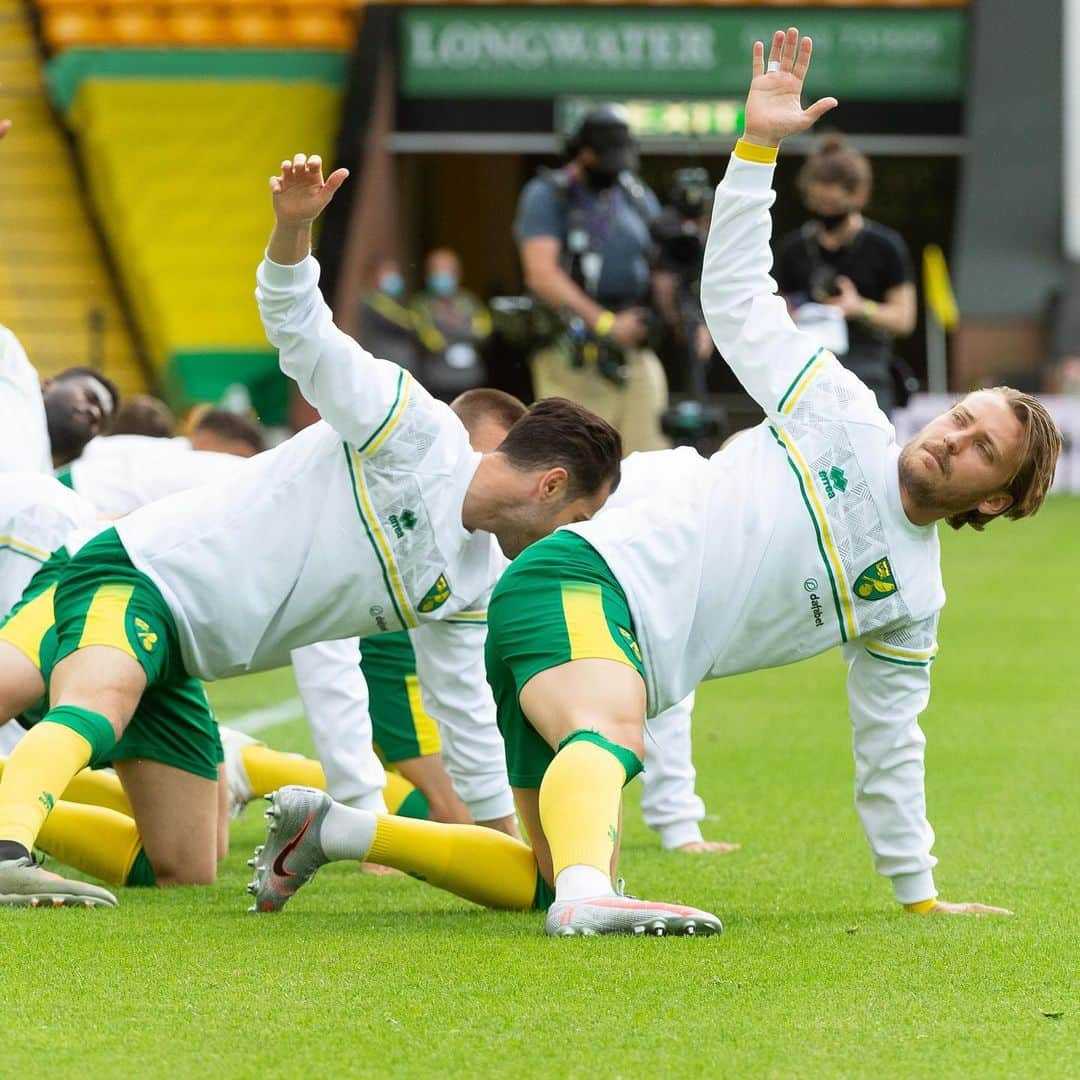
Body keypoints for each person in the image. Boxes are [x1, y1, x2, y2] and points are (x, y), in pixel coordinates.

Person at [248, 29, 1062, 937]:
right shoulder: (843, 411)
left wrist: (919, 891)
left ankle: (339, 829)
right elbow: (741, 298)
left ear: (994, 499)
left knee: (541, 873)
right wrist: (757, 151)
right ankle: (593, 902)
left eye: (982, 449)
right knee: (609, 752)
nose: (954, 439)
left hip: (598, 638)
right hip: (588, 583)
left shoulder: (911, 599)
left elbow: (889, 747)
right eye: (962, 418)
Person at [0, 150, 621, 908]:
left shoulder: (475, 579)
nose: (569, 542)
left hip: (190, 651)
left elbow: (466, 723)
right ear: (550, 484)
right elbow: (302, 329)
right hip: (141, 577)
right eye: (577, 519)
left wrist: (533, 862)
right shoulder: (411, 427)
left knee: (187, 866)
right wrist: (294, 231)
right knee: (99, 699)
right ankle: (8, 848)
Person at [515, 105, 669, 453]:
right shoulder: (549, 194)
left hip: (633, 343)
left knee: (651, 456)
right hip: (573, 349)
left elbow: (662, 262)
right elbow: (541, 274)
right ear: (585, 153)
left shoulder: (634, 195)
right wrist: (605, 323)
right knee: (579, 458)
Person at [772, 133, 916, 416]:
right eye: (818, 203)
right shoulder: (792, 249)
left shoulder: (885, 246)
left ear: (857, 196)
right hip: (807, 372)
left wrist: (859, 308)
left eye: (833, 204)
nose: (825, 211)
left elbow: (904, 319)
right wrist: (787, 314)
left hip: (868, 373)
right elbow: (774, 307)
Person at [0, 326, 119, 472]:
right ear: (48, 384)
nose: (95, 412)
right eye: (90, 397)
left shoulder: (44, 482)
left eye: (99, 424)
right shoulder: (15, 368)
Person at [410, 249, 492, 403]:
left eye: (447, 270)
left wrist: (446, 327)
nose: (442, 275)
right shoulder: (421, 305)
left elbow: (483, 333)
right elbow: (431, 340)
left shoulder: (470, 302)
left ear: (458, 274)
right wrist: (461, 329)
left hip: (470, 380)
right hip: (437, 382)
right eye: (437, 270)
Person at [355, 257, 420, 376]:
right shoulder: (372, 301)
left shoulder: (400, 301)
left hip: (401, 367)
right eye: (387, 272)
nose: (393, 277)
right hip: (383, 366)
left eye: (395, 272)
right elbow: (408, 324)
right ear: (374, 275)